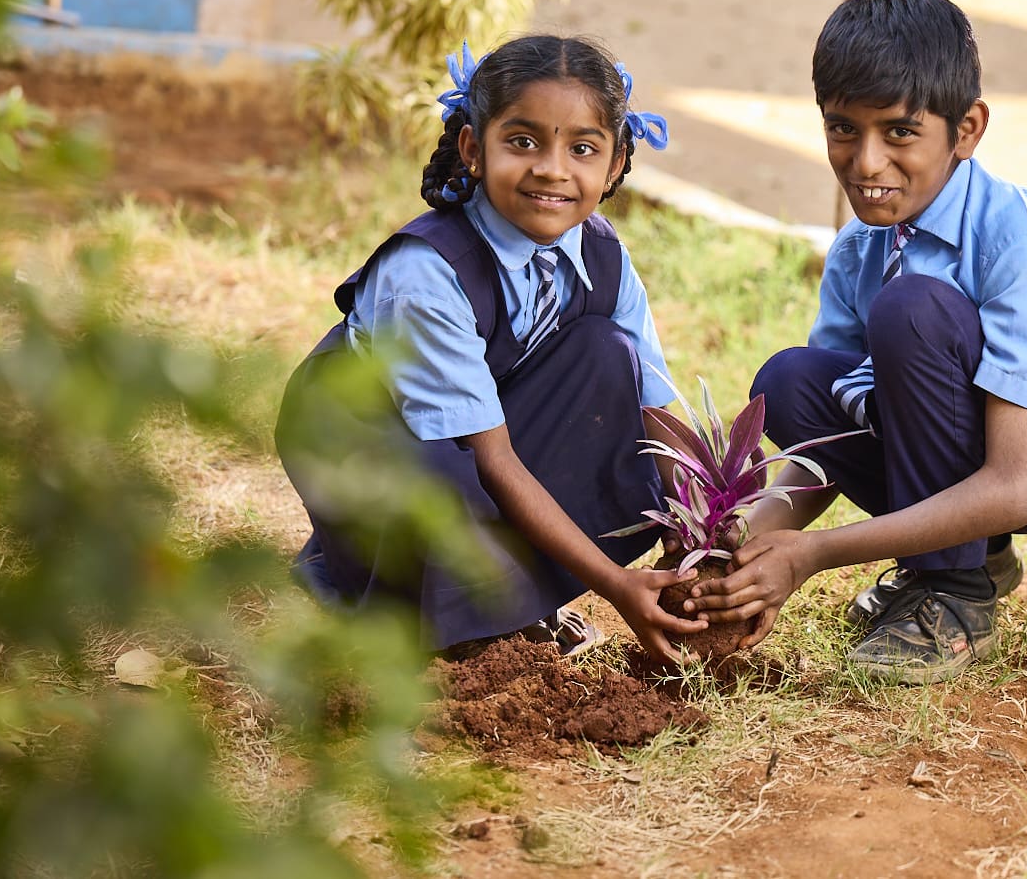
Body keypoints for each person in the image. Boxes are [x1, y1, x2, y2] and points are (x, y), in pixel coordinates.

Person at [683, 0, 1027, 684]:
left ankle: (954, 594)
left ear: (967, 129)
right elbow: (839, 432)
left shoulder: (1018, 244)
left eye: (899, 132)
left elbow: (1016, 486)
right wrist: (749, 543)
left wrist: (812, 554)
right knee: (791, 383)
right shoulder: (860, 248)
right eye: (843, 129)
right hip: (995, 451)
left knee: (912, 312)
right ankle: (976, 555)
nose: (866, 162)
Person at [276, 35, 706, 664]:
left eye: (582, 149)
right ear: (474, 148)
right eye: (523, 141)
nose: (552, 170)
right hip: (369, 441)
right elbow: (493, 459)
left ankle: (510, 599)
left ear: (614, 167)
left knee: (608, 352)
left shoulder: (603, 255)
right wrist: (615, 588)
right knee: (443, 487)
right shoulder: (428, 270)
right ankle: (348, 583)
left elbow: (655, 409)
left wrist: (702, 527)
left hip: (475, 433)